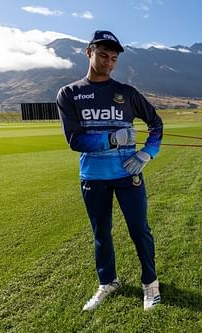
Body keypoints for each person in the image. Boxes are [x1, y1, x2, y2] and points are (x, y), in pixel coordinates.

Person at [56, 30, 163, 311]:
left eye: (114, 58)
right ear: (88, 52)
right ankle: (108, 282)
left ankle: (150, 284)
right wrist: (112, 139)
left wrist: (146, 153)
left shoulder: (126, 93)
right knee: (101, 234)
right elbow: (75, 140)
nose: (109, 62)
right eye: (103, 55)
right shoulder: (69, 94)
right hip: (93, 177)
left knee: (139, 231)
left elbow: (156, 124)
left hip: (129, 175)